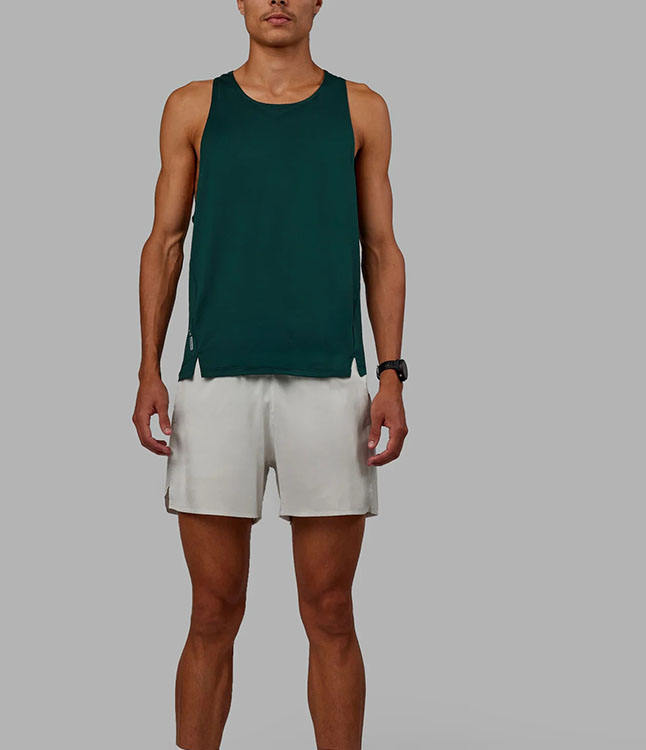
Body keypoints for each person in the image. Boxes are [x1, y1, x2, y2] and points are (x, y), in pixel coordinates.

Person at [133, 1, 408, 747]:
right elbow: (164, 241)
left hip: (330, 383)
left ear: (320, 2)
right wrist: (148, 368)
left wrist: (390, 374)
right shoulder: (193, 106)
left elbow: (381, 246)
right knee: (212, 611)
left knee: (331, 610)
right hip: (215, 383)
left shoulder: (361, 109)